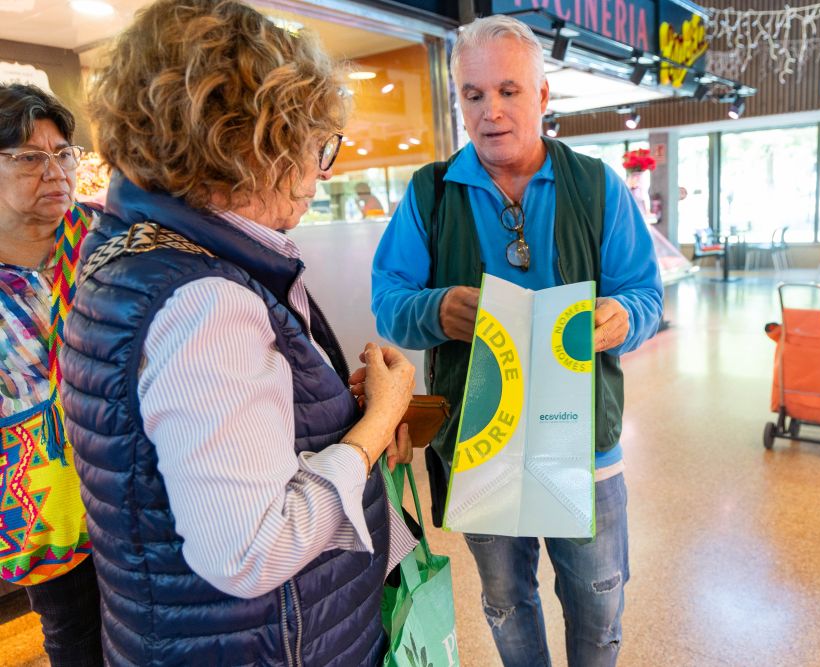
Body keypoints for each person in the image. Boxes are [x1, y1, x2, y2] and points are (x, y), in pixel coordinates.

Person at [60, 2, 417, 664]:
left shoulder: (131, 254)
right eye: (316, 145)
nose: (322, 172)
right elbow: (251, 548)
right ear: (252, 143)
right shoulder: (205, 303)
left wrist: (336, 412)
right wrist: (377, 426)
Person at [371, 15, 663, 667]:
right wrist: (437, 308)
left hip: (585, 440)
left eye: (508, 91)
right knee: (505, 596)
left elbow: (646, 296)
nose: (491, 111)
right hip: (480, 442)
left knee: (598, 594)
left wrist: (622, 317)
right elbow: (388, 303)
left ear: (542, 97)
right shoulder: (431, 194)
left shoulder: (597, 187)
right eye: (473, 95)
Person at [0, 83, 102, 667]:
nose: (56, 170)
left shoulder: (107, 239)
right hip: (42, 504)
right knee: (75, 637)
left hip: (135, 474)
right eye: (29, 157)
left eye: (63, 153)